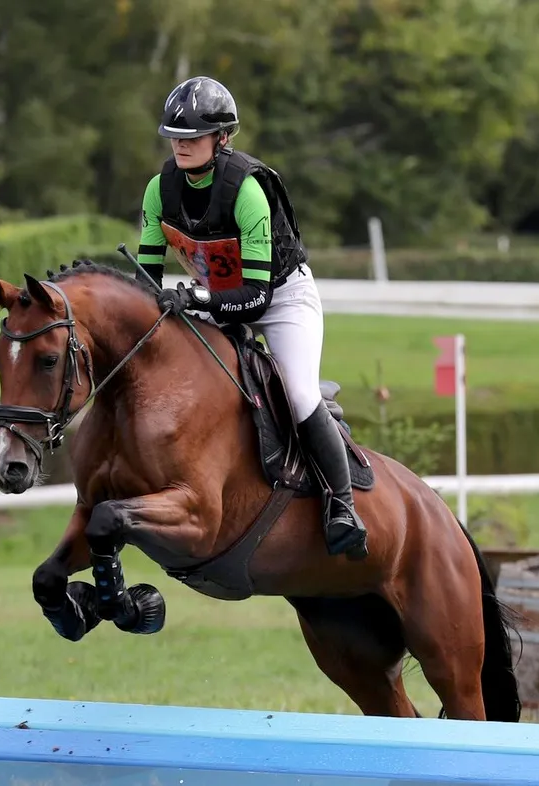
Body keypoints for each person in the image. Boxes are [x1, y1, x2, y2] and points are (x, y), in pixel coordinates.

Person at [135, 75, 368, 561]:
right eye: (175, 137)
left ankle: (343, 507)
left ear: (222, 139)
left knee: (300, 393)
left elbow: (256, 300)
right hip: (216, 297)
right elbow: (147, 282)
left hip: (281, 299)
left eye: (192, 137)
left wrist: (193, 300)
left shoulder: (247, 190)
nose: (181, 146)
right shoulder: (160, 190)